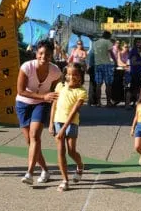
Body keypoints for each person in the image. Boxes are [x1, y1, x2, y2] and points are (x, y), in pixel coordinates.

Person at [16, 39, 61, 185]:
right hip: (23, 103)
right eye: (41, 53)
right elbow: (20, 91)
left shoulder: (55, 71)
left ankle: (29, 173)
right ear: (36, 53)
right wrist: (43, 96)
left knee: (35, 136)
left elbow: (54, 91)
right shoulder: (26, 67)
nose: (44, 57)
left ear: (51, 56)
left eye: (47, 54)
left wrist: (53, 105)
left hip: (41, 105)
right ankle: (45, 170)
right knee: (30, 141)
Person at [49, 62, 87, 192]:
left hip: (71, 123)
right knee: (60, 151)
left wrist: (64, 129)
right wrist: (51, 123)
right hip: (57, 122)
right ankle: (65, 180)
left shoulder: (81, 92)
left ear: (80, 76)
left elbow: (74, 112)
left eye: (75, 74)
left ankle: (80, 165)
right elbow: (54, 105)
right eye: (69, 74)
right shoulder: (60, 86)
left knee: (71, 151)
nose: (72, 77)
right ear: (65, 75)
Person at [93, 31, 115, 107]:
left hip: (97, 65)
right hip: (106, 65)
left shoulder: (95, 43)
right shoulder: (108, 42)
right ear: (108, 36)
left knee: (98, 84)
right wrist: (115, 61)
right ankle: (108, 102)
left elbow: (93, 54)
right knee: (108, 84)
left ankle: (99, 102)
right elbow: (111, 53)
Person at [126, 39, 141, 109]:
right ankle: (127, 104)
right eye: (138, 42)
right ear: (135, 43)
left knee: (137, 89)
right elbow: (133, 62)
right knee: (132, 89)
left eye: (140, 42)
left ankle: (135, 103)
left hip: (137, 72)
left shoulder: (136, 51)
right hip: (135, 72)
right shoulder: (134, 51)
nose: (139, 44)